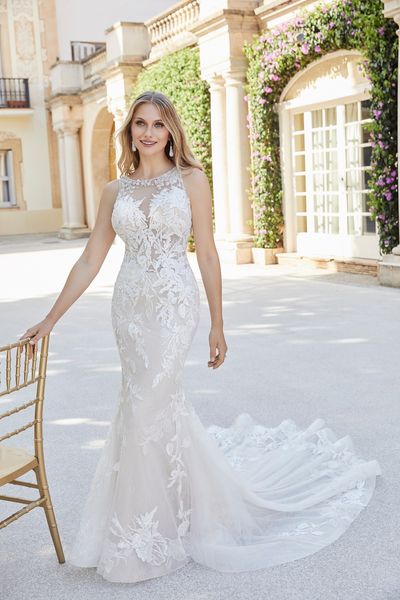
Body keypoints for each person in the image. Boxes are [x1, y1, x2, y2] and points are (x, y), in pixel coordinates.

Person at [20, 91, 382, 584]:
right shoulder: (114, 192)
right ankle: (157, 518)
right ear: (130, 131)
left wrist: (218, 322)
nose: (149, 132)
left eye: (159, 124)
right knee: (142, 407)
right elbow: (90, 260)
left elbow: (207, 253)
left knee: (150, 404)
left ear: (171, 132)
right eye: (140, 124)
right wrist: (49, 319)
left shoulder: (191, 180)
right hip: (130, 309)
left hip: (173, 306)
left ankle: (150, 536)